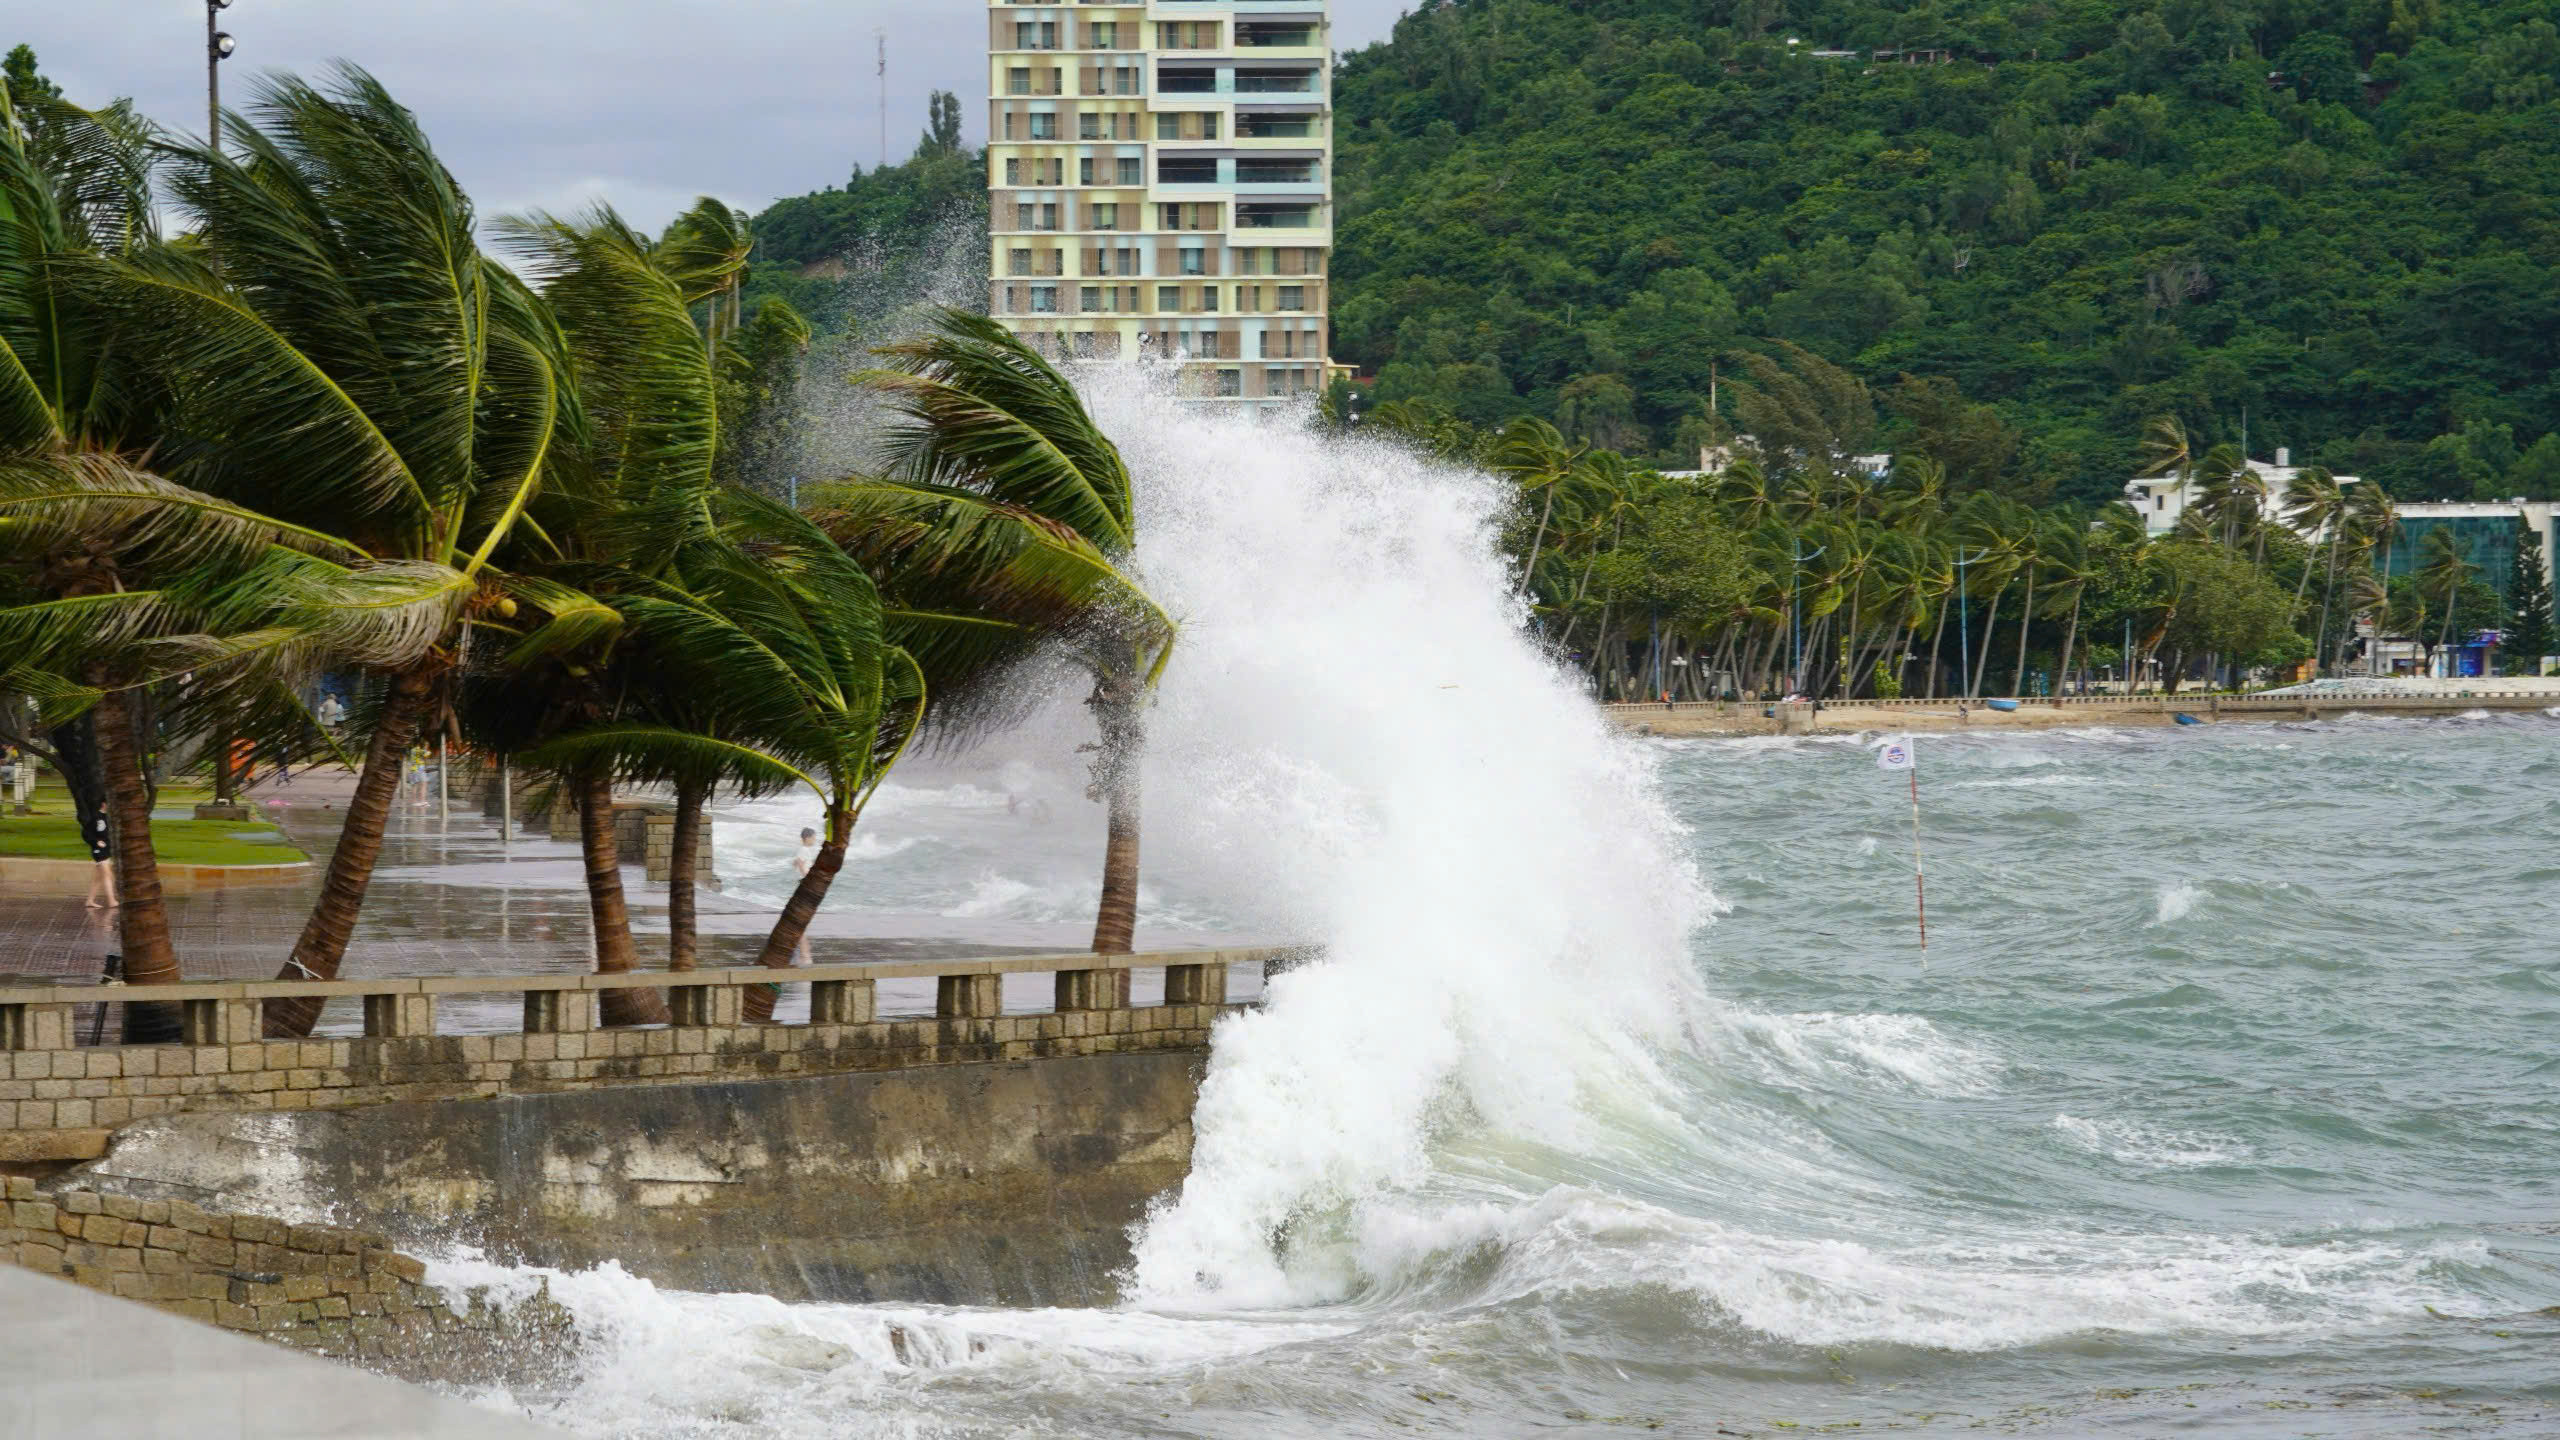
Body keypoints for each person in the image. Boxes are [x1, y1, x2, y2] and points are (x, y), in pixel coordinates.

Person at [790, 828, 819, 966]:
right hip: (804, 885)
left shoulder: (802, 850)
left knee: (801, 918)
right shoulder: (804, 850)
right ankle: (804, 953)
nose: (814, 840)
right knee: (802, 919)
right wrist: (808, 879)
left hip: (801, 883)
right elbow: (800, 864)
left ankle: (804, 951)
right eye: (813, 837)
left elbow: (796, 863)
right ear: (807, 838)